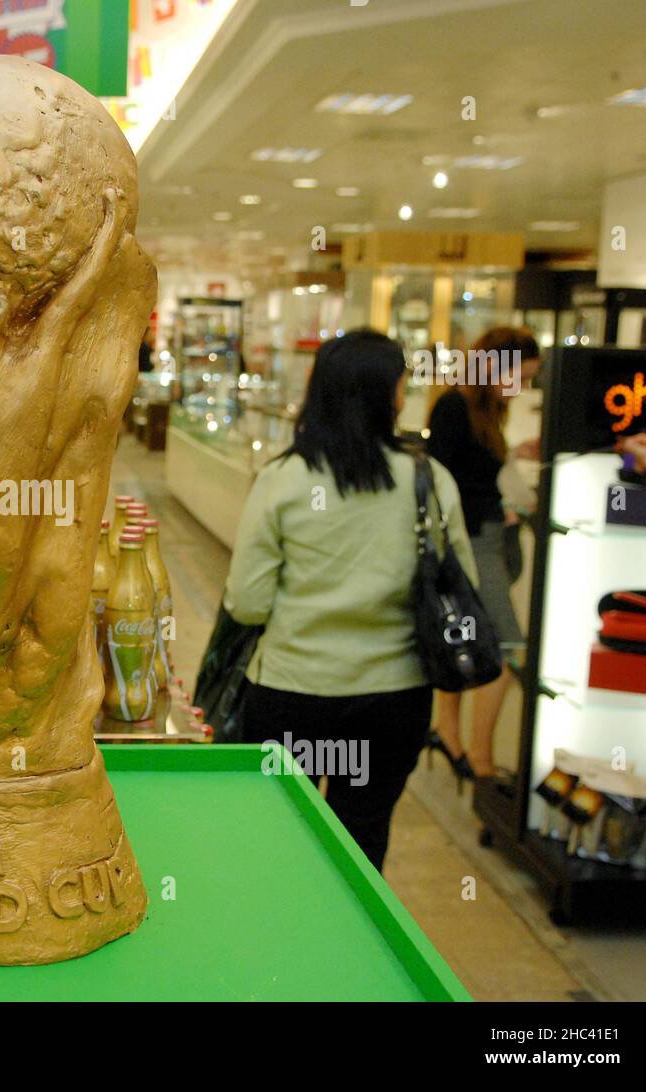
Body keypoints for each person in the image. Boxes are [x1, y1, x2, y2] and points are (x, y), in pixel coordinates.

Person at [224, 329, 476, 872]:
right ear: (392, 395)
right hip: (392, 700)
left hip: (293, 691)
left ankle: (279, 946)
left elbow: (246, 602)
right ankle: (350, 948)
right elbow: (460, 586)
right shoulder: (429, 481)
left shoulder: (283, 481)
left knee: (276, 843)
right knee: (362, 842)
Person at [425, 327, 536, 783]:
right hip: (472, 541)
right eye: (521, 375)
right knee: (506, 648)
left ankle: (447, 735)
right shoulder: (456, 406)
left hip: (484, 537)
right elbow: (443, 479)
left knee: (466, 640)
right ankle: (480, 759)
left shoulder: (486, 408)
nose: (524, 386)